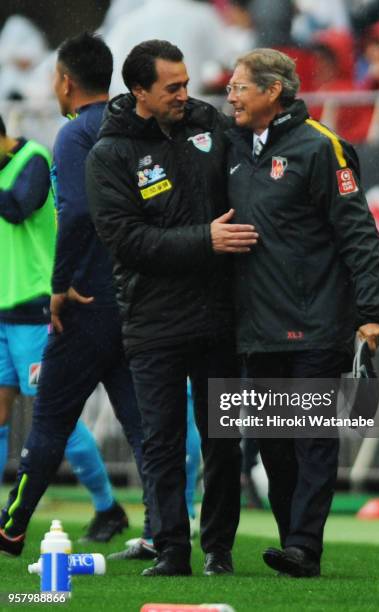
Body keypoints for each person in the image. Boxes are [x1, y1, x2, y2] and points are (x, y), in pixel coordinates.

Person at [86, 39, 257, 577]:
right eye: (173, 87)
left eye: (186, 82)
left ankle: (220, 550)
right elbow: (126, 240)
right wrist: (204, 240)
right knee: (162, 445)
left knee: (224, 442)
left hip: (217, 316)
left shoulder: (208, 125)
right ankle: (172, 551)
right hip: (153, 320)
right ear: (139, 91)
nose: (187, 94)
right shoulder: (109, 155)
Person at [226, 48, 379, 577]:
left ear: (273, 91)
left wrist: (371, 312)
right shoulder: (232, 147)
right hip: (257, 325)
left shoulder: (323, 148)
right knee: (273, 444)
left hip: (316, 321)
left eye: (240, 86)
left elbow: (358, 234)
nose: (230, 95)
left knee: (311, 436)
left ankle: (304, 547)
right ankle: (290, 540)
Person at [0, 32, 151, 557]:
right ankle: (164, 533)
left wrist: (60, 285)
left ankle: (13, 526)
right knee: (142, 422)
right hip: (133, 300)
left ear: (65, 81)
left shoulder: (69, 138)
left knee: (49, 422)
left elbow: (80, 215)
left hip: (82, 301)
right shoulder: (135, 128)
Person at [0, 113, 129, 542]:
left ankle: (107, 506)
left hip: (38, 308)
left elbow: (19, 208)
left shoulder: (34, 159)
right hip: (2, 310)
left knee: (55, 418)